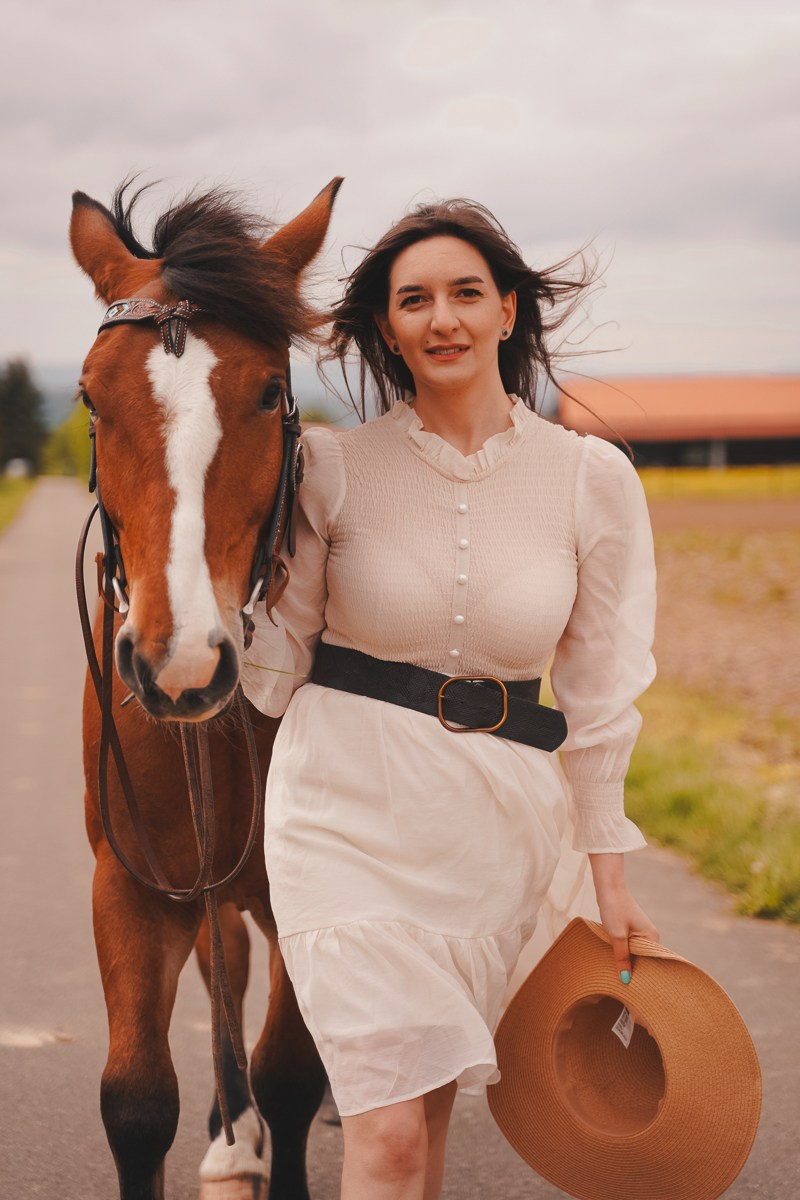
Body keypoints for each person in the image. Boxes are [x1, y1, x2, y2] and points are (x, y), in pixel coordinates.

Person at [241, 197, 660, 1200]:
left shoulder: (590, 480)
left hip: (494, 831)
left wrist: (608, 875)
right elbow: (271, 673)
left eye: (465, 293)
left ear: (507, 311)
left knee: (420, 1120)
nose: (442, 319)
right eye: (413, 299)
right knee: (383, 1132)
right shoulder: (327, 467)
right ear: (386, 326)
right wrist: (209, 585)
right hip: (343, 814)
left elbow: (601, 693)